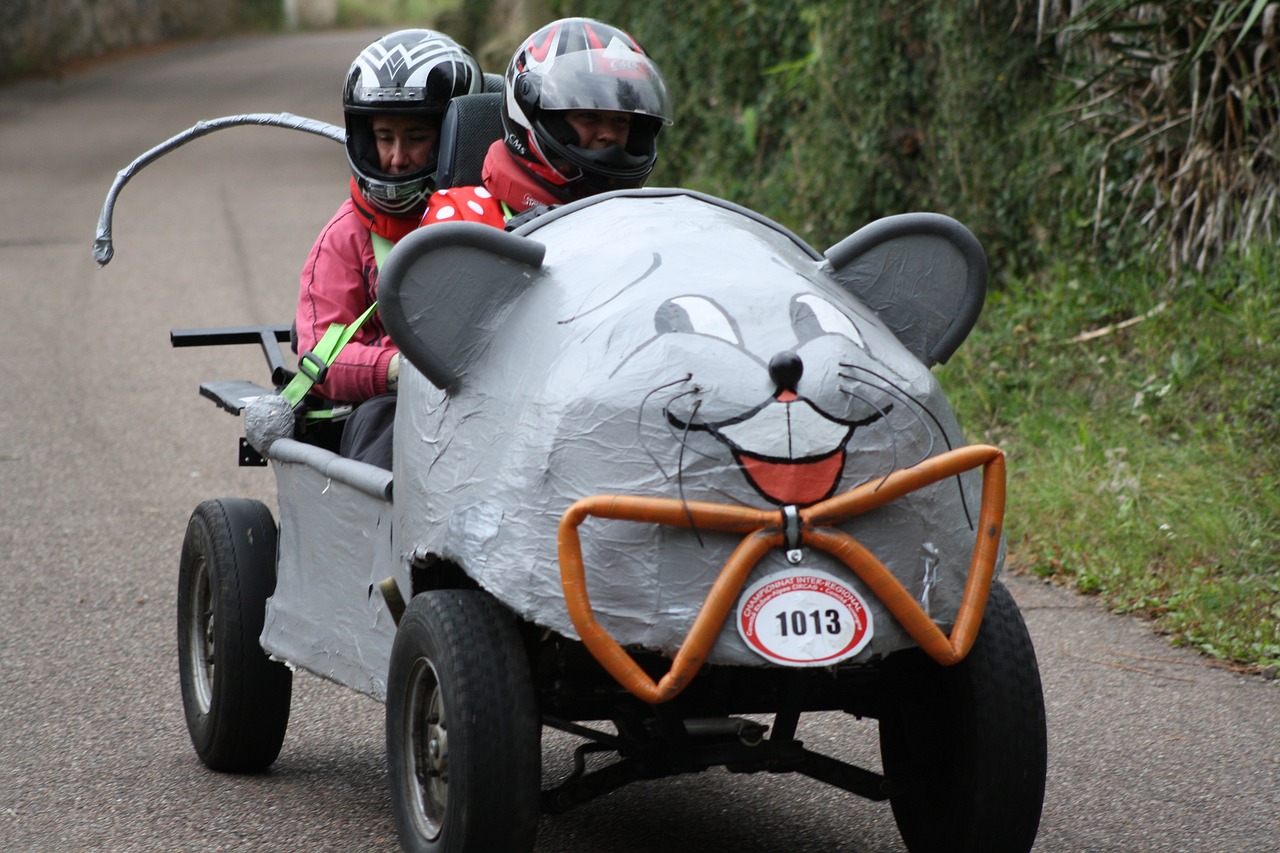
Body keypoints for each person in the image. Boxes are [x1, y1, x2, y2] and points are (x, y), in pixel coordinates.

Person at [294, 29, 481, 468]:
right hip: (386, 409)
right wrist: (400, 371)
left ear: (455, 133)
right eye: (384, 138)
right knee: (388, 422)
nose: (396, 158)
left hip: (487, 399)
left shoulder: (495, 217)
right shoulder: (345, 237)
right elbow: (320, 356)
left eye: (416, 137)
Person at [421, 17, 674, 230]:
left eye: (620, 120)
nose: (608, 134)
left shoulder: (645, 221)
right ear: (532, 113)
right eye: (589, 116)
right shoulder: (460, 217)